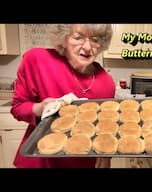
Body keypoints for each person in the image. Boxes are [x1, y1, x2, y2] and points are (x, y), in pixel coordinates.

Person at [11, 24, 115, 168]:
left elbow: (105, 126)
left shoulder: (106, 82)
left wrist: (106, 154)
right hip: (41, 161)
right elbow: (18, 108)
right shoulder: (38, 60)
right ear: (64, 39)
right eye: (78, 37)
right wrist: (41, 108)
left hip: (82, 160)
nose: (87, 47)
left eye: (95, 39)